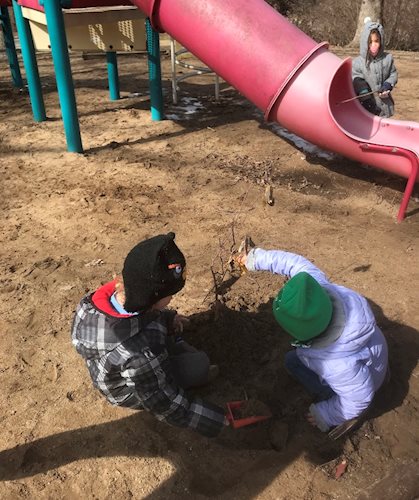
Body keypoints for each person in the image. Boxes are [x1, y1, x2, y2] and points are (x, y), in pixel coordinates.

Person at [71, 232, 227, 437]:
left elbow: (143, 317)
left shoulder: (101, 300)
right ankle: (194, 369)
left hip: (116, 366)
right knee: (200, 364)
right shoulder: (138, 354)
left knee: (175, 346)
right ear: (153, 301)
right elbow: (163, 401)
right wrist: (215, 420)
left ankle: (175, 349)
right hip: (127, 389)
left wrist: (168, 318)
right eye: (170, 295)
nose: (171, 298)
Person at [237, 244, 389, 433]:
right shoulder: (318, 291)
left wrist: (326, 414)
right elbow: (295, 264)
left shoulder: (338, 365)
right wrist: (255, 259)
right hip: (371, 352)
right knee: (293, 359)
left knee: (292, 362)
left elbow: (359, 398)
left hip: (367, 380)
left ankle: (330, 400)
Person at [352, 18, 398, 117]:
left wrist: (388, 85)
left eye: (376, 41)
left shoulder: (388, 58)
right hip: (367, 109)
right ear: (365, 43)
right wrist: (365, 97)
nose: (374, 45)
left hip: (385, 107)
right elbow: (356, 78)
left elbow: (393, 74)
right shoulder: (358, 63)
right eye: (370, 42)